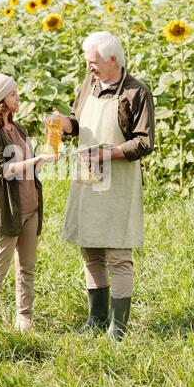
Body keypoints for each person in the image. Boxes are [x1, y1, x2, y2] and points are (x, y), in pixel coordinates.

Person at [57, 31, 155, 341]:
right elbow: (77, 121)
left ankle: (118, 327)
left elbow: (145, 142)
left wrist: (108, 152)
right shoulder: (89, 85)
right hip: (88, 179)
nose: (90, 68)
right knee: (90, 249)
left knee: (117, 253)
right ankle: (96, 317)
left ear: (113, 59)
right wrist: (65, 124)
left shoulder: (137, 92)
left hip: (118, 183)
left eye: (94, 62)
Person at [0, 72, 55, 343]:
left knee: (27, 268)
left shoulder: (17, 128)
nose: (18, 96)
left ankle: (25, 319)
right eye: (12, 94)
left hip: (30, 209)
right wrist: (35, 161)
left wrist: (46, 158)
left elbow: (29, 165)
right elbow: (3, 170)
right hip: (6, 213)